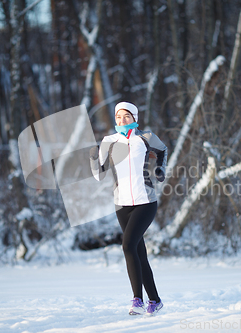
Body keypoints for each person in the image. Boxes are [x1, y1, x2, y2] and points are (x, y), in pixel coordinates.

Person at [89, 101, 168, 316]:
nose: (122, 121)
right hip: (122, 204)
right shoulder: (109, 141)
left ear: (134, 118)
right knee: (138, 252)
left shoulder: (145, 138)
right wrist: (92, 158)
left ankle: (137, 301)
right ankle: (155, 300)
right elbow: (99, 174)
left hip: (146, 201)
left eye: (126, 117)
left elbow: (162, 150)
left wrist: (160, 168)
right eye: (118, 117)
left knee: (127, 246)